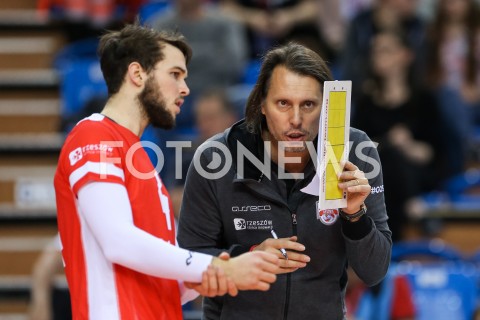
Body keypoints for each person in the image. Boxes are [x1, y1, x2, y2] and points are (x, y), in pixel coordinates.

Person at [53, 23, 280, 319]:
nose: (185, 88)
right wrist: (218, 267)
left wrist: (241, 260)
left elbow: (172, 279)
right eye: (175, 74)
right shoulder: (93, 134)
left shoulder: (142, 162)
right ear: (137, 74)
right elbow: (118, 242)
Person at [177, 42, 392, 319]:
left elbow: (374, 272)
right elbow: (188, 263)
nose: (296, 119)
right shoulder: (216, 159)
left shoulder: (355, 151)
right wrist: (250, 255)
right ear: (262, 105)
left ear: (326, 108)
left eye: (308, 105)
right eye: (283, 104)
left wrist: (355, 216)